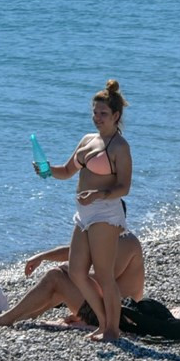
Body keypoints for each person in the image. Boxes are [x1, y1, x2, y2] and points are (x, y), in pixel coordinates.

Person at [41, 79, 132, 341]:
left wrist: (99, 194)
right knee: (77, 271)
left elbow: (124, 187)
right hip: (84, 214)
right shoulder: (87, 140)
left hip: (105, 213)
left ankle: (113, 330)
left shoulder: (119, 147)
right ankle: (103, 323)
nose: (97, 118)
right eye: (94, 112)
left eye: (103, 113)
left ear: (116, 116)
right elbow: (68, 171)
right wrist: (47, 170)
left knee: (104, 275)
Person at [0, 230, 144, 329]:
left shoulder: (124, 241)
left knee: (55, 278)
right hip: (108, 309)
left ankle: (5, 319)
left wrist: (70, 271)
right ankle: (21, 315)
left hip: (119, 317)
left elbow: (104, 282)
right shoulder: (110, 237)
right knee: (58, 279)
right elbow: (75, 252)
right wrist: (43, 256)